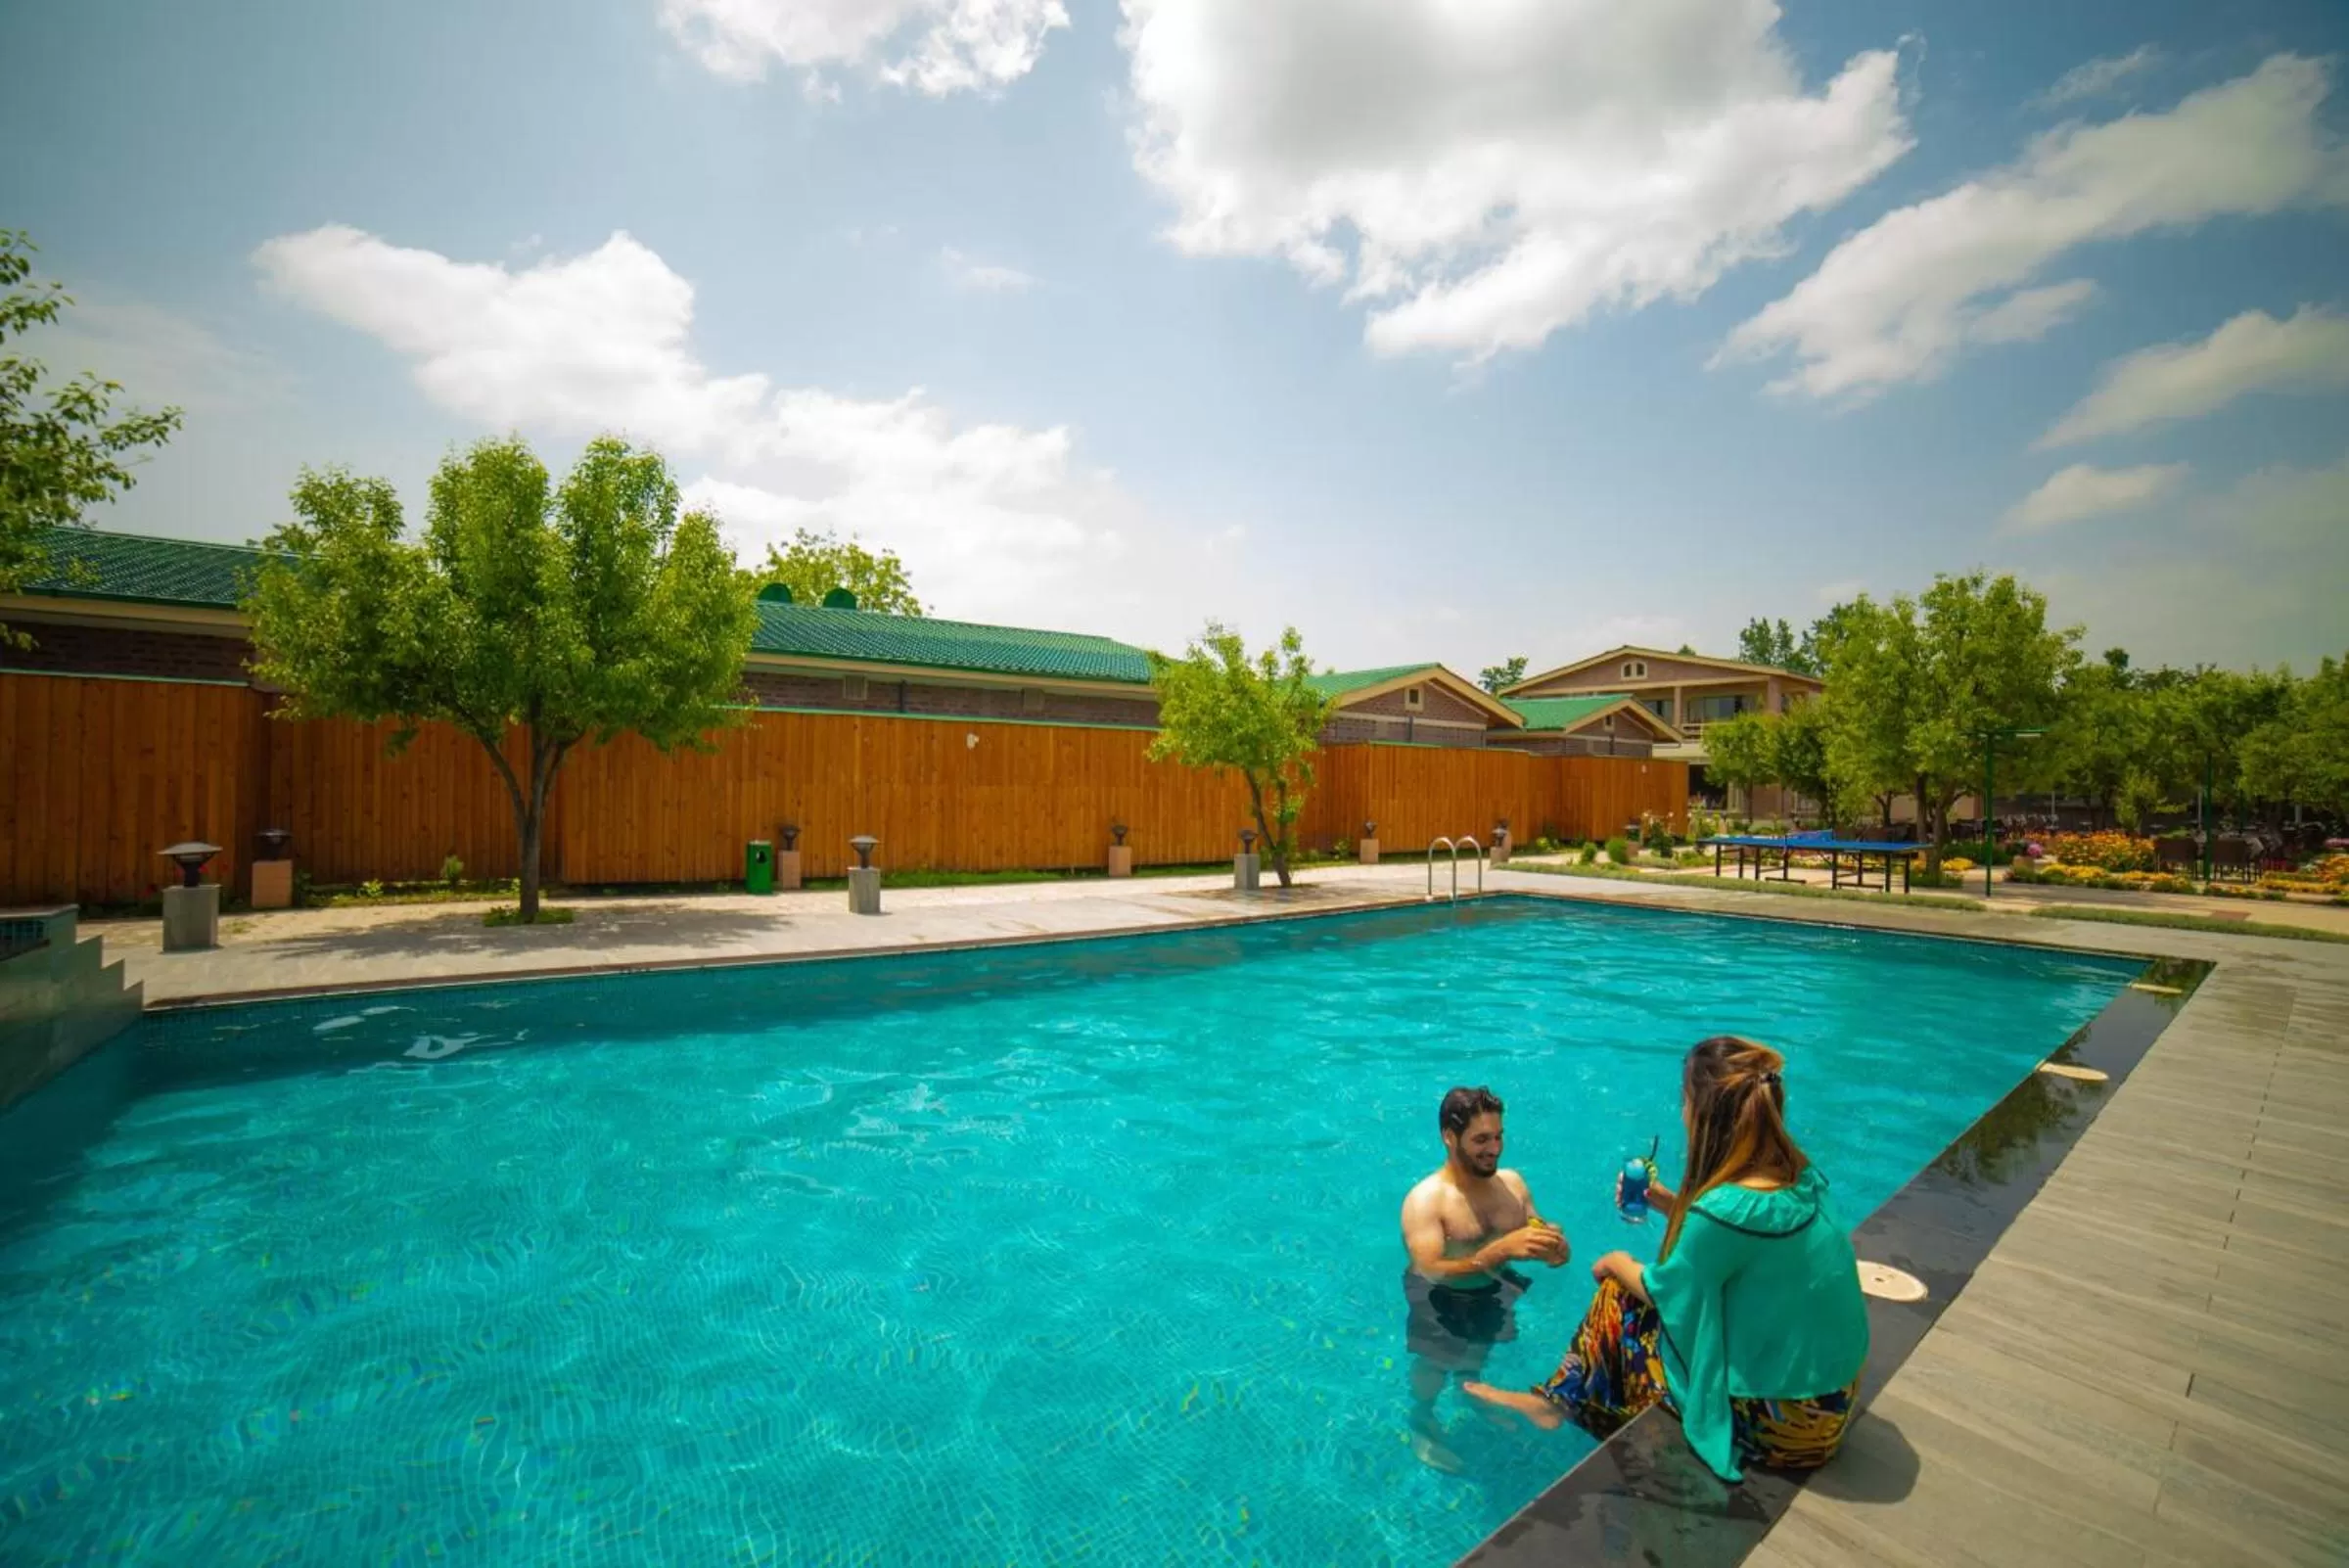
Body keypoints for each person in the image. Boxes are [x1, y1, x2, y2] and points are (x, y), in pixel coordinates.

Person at [1465, 1037, 1869, 1483]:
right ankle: (1564, 1401)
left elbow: (1667, 1293)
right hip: (1832, 1403)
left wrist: (1616, 1261)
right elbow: (1739, 1246)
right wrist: (1665, 1202)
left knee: (1619, 1299)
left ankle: (1556, 1403)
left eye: (1685, 1100)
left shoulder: (1723, 1212)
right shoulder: (1802, 1175)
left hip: (1783, 1427)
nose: (1682, 1113)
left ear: (1703, 1112)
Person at [1399, 1084, 1568, 1471]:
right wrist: (1499, 1252)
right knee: (1434, 1362)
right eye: (1480, 1139)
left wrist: (1555, 1248)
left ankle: (1469, 1391)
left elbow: (1537, 1232)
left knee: (1479, 1348)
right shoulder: (1426, 1200)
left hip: (1493, 1286)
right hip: (1439, 1297)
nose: (1494, 1148)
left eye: (1498, 1136)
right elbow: (1429, 1269)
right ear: (1449, 1137)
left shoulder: (1513, 1184)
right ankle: (1421, 1418)